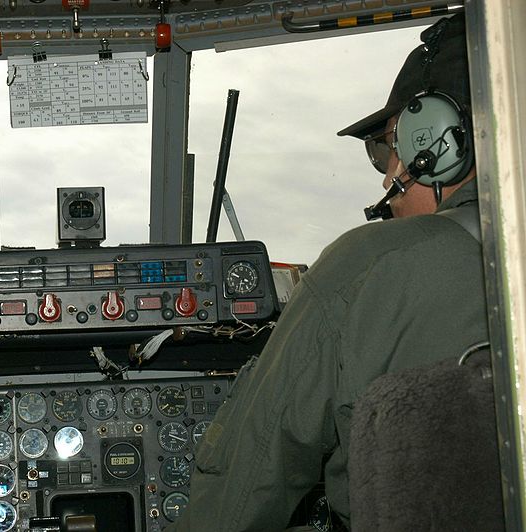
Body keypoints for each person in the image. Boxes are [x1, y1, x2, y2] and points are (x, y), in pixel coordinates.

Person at [165, 13, 488, 532]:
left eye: (388, 145)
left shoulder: (369, 268)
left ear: (437, 143)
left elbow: (242, 493)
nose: (388, 175)